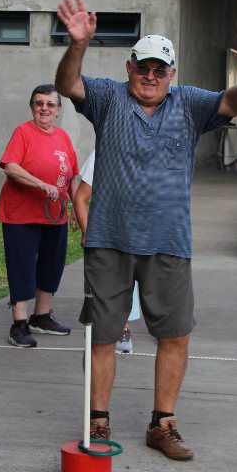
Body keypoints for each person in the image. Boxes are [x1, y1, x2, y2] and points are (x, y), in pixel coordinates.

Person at [55, 0, 237, 460]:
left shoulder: (189, 103)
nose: (150, 76)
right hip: (109, 241)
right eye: (143, 67)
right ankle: (97, 423)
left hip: (168, 243)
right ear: (129, 67)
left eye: (160, 69)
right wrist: (77, 43)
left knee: (175, 334)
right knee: (103, 333)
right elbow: (68, 84)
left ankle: (163, 425)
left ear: (171, 74)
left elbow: (231, 103)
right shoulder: (107, 97)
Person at [0, 84, 79, 348]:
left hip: (55, 216)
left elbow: (72, 176)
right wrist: (39, 184)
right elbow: (11, 167)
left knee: (51, 265)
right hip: (21, 215)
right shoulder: (23, 132)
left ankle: (41, 317)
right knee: (22, 266)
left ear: (58, 110)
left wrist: (78, 208)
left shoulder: (63, 138)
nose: (44, 108)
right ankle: (19, 325)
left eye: (50, 104)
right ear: (32, 107)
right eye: (38, 103)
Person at [72, 151, 141, 354]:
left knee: (131, 282)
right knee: (104, 283)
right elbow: (81, 197)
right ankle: (100, 329)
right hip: (105, 234)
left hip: (137, 232)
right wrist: (87, 232)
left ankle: (123, 327)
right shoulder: (101, 151)